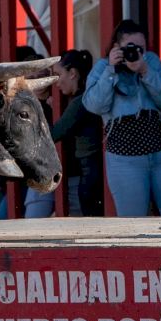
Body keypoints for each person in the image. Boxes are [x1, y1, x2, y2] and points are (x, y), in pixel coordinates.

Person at [83, 19, 161, 216]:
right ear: (116, 47)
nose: (135, 53)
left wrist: (145, 70)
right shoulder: (103, 67)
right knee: (133, 221)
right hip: (125, 160)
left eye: (140, 48)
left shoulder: (150, 61)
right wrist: (111, 70)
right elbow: (94, 105)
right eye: (129, 47)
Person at [50, 49, 104, 217]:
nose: (56, 83)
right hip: (94, 169)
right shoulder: (87, 97)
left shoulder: (80, 102)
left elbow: (54, 134)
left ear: (72, 73)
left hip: (91, 172)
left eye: (58, 75)